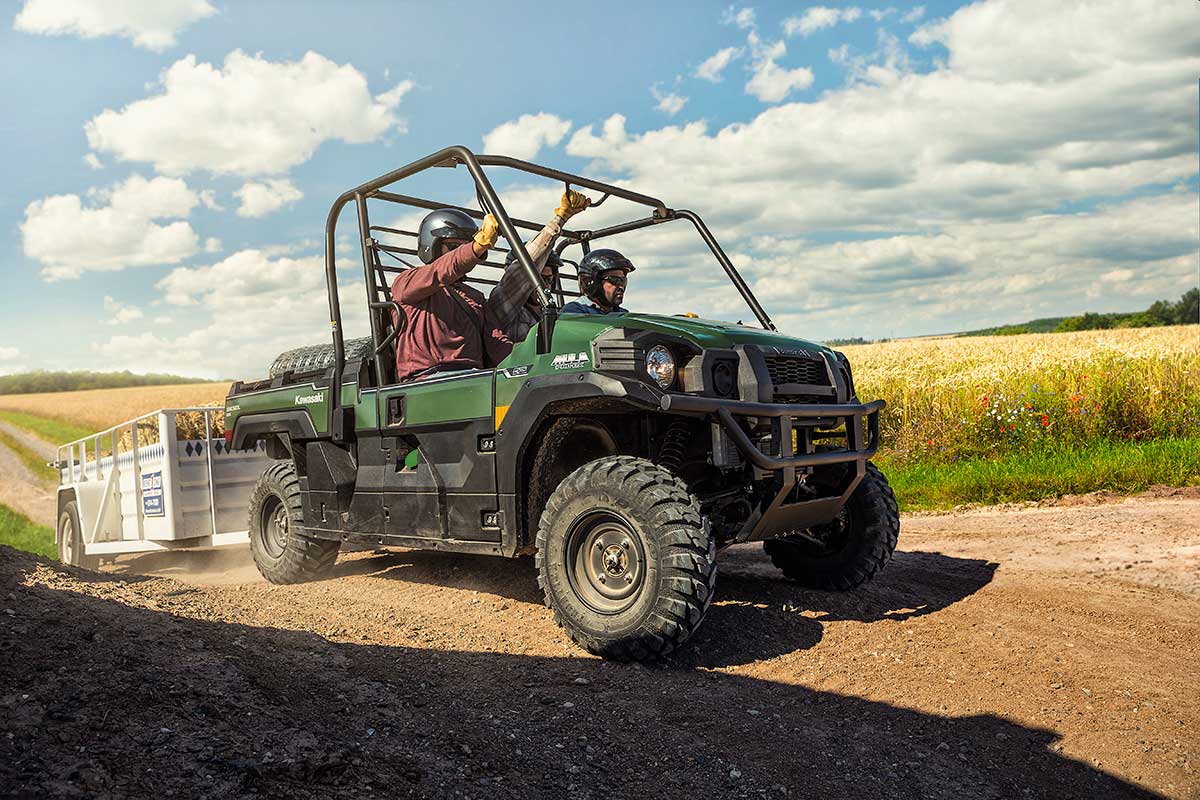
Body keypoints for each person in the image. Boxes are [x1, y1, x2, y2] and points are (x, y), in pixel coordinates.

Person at [389, 209, 512, 382]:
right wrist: (477, 247)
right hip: (429, 380)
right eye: (454, 247)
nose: (460, 252)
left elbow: (498, 345)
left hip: (475, 378)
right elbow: (441, 270)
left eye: (465, 246)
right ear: (433, 246)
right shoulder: (409, 282)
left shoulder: (474, 297)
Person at [487, 190, 591, 342]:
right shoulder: (504, 307)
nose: (546, 285)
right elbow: (526, 265)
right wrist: (561, 218)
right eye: (540, 278)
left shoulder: (553, 314)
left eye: (549, 279)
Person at [560, 249, 634, 315]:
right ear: (592, 283)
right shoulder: (573, 312)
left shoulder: (622, 313)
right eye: (614, 280)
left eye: (623, 280)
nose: (621, 286)